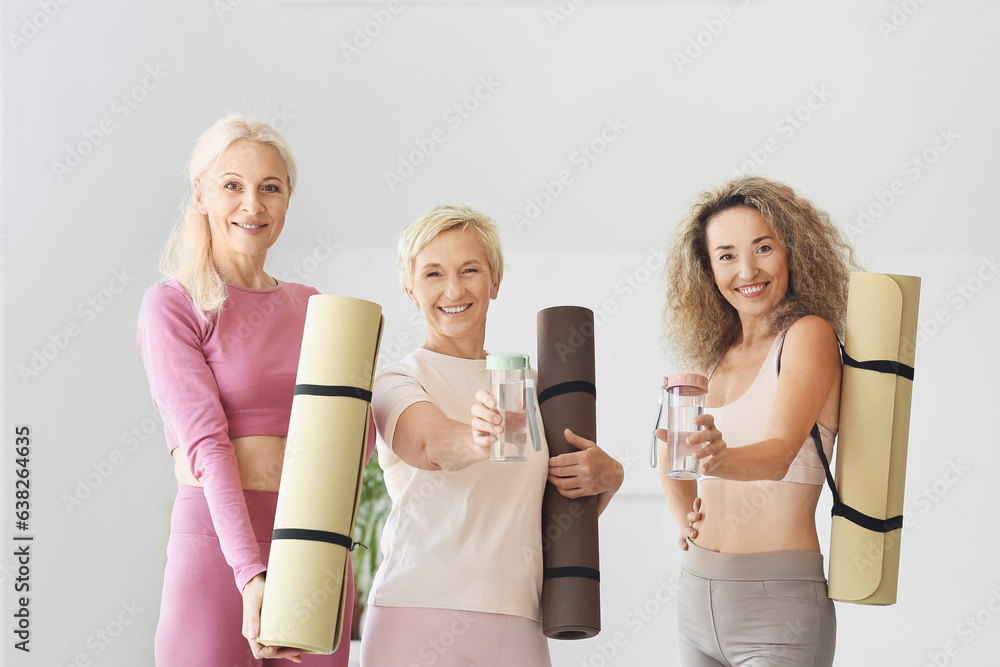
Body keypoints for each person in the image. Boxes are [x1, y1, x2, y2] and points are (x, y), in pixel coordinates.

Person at [137, 115, 365, 666]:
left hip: (314, 556)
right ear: (201, 194)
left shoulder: (314, 306)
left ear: (288, 198)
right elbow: (209, 448)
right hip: (218, 554)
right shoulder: (173, 305)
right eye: (232, 185)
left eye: (270, 188)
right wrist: (251, 574)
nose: (252, 205)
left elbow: (356, 442)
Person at [359, 204, 624, 666]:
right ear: (410, 288)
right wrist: (478, 439)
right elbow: (429, 444)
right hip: (415, 612)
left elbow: (552, 516)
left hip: (516, 615)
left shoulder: (536, 390)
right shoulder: (397, 380)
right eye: (433, 274)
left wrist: (608, 478)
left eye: (470, 270)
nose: (454, 289)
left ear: (494, 281)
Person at [658, 176, 859, 666]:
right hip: (696, 593)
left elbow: (778, 455)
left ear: (793, 251)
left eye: (762, 248)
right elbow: (673, 456)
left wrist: (719, 458)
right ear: (708, 269)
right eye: (726, 255)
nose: (746, 269)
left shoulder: (808, 336)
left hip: (778, 602)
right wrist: (684, 513)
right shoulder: (712, 355)